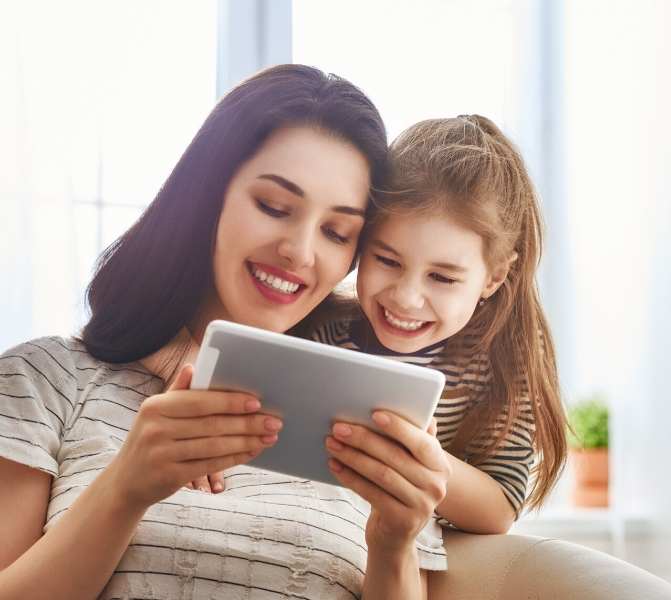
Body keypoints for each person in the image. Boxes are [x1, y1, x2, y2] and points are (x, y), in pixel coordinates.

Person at [0, 64, 448, 600]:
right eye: (274, 207)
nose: (301, 252)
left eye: (336, 232)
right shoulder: (44, 381)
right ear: (208, 194)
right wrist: (125, 488)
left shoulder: (375, 421)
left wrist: (394, 545)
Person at [311, 115, 569, 533]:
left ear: (494, 277)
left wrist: (415, 459)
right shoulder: (323, 330)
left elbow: (499, 510)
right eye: (387, 261)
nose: (406, 297)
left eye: (443, 278)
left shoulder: (503, 360)